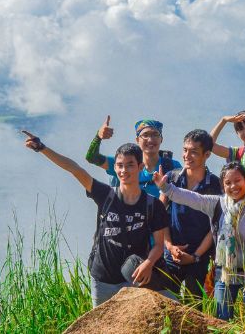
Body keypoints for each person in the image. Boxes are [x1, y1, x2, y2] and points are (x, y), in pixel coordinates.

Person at [22, 131, 170, 307]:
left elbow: (159, 245)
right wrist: (42, 148)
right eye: (120, 165)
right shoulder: (105, 194)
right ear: (114, 168)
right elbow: (74, 169)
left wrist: (148, 263)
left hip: (133, 277)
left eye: (130, 165)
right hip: (102, 279)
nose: (124, 171)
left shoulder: (153, 205)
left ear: (140, 167)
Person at [155, 161, 245, 320]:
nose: (234, 186)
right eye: (228, 183)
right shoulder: (218, 204)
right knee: (222, 320)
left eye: (237, 181)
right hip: (225, 273)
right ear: (223, 186)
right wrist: (166, 188)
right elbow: (193, 198)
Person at [160, 129, 222, 301]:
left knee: (194, 307)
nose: (187, 155)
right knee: (166, 304)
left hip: (199, 257)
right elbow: (159, 215)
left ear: (207, 154)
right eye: (185, 150)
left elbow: (216, 225)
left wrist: (195, 256)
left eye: (194, 152)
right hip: (171, 254)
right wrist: (170, 246)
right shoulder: (172, 178)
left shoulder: (216, 184)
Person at [85, 117, 181, 197]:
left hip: (163, 219)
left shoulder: (173, 166)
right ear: (137, 140)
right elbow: (92, 157)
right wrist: (98, 137)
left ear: (161, 139)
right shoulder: (125, 164)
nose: (150, 139)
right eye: (145, 135)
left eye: (155, 134)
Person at [209, 110, 245, 194]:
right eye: (241, 129)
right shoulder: (236, 153)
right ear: (237, 133)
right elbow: (210, 145)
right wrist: (223, 120)